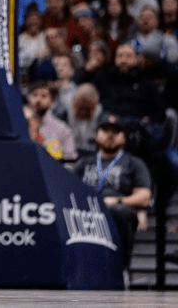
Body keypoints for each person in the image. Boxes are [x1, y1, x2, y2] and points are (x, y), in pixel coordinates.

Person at [71, 113, 152, 271]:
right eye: (105, 130)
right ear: (96, 135)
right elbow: (67, 188)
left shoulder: (134, 163)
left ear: (124, 137)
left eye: (116, 131)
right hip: (86, 211)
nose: (110, 135)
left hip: (118, 209)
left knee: (118, 211)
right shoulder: (83, 163)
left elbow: (144, 196)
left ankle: (122, 268)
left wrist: (118, 201)